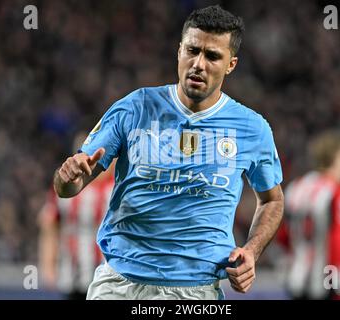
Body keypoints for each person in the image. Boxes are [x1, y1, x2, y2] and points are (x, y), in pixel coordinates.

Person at [53, 5, 284, 300]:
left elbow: (272, 199)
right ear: (179, 51)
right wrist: (67, 176)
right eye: (192, 50)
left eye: (212, 56)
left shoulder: (252, 128)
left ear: (231, 64)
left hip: (195, 291)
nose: (198, 63)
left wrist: (252, 251)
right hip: (119, 283)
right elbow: (68, 188)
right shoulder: (134, 107)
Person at [279, 131, 340, 300]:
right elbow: (339, 241)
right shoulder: (338, 192)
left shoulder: (296, 187)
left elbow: (282, 235)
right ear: (338, 157)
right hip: (327, 282)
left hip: (296, 277)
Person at [38, 132, 116, 299]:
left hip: (112, 278)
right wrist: (48, 265)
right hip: (73, 275)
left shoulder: (119, 187)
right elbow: (49, 225)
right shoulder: (65, 188)